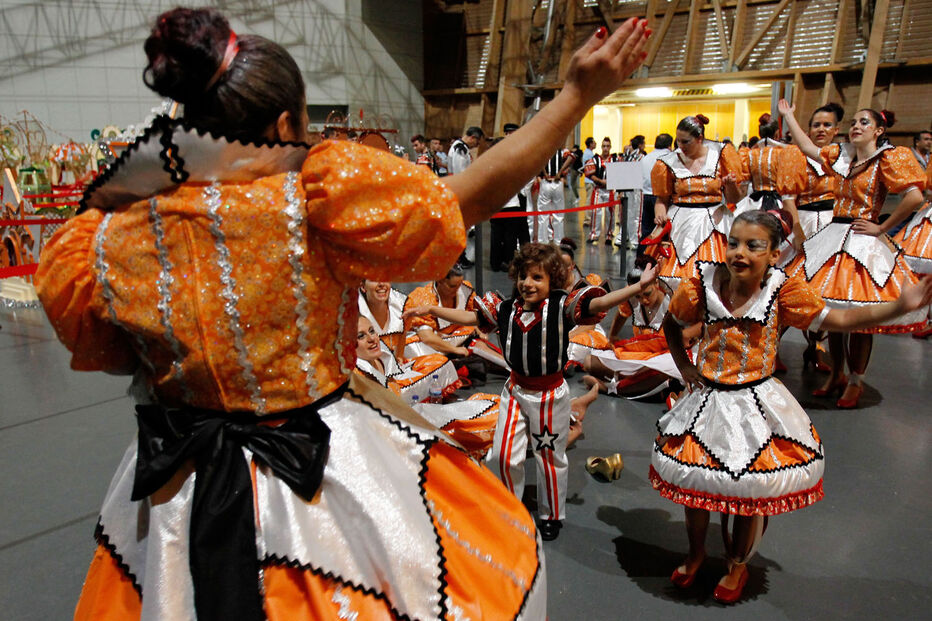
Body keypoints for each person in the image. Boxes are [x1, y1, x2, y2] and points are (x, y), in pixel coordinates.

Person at [35, 6, 651, 618]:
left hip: (174, 489)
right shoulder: (308, 200)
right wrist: (574, 97)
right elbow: (459, 202)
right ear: (285, 124)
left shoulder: (107, 234)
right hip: (311, 470)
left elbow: (110, 351)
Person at [654, 209, 932, 604]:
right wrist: (684, 365)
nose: (739, 253)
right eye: (733, 243)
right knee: (694, 484)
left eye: (753, 246)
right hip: (707, 400)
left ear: (774, 253)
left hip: (754, 404)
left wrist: (899, 307)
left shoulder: (783, 290)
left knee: (750, 487)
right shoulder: (701, 283)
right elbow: (671, 323)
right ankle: (696, 553)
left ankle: (737, 564)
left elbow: (839, 319)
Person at [404, 242, 659, 542]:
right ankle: (511, 508)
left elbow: (599, 304)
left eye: (538, 277)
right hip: (514, 392)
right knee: (503, 455)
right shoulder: (505, 308)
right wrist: (432, 309)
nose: (528, 283)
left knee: (549, 457)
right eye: (524, 276)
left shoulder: (562, 306)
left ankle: (551, 515)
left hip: (549, 395)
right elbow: (472, 318)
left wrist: (638, 287)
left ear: (552, 280)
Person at [779, 100, 928, 407]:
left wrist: (881, 226)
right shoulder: (842, 155)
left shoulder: (887, 158)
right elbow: (806, 147)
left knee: (860, 313)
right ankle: (837, 373)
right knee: (831, 309)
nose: (857, 127)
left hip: (862, 240)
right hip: (833, 236)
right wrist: (789, 116)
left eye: (864, 122)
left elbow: (914, 197)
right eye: (854, 122)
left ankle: (856, 380)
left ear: (879, 130)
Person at [584, 255, 700, 399]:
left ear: (656, 282)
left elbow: (704, 321)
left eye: (647, 294)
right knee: (590, 361)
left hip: (668, 356)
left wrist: (686, 334)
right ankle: (638, 383)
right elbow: (621, 314)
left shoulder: (674, 296)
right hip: (642, 354)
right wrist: (613, 335)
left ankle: (612, 388)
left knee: (665, 369)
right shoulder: (632, 296)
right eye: (638, 297)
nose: (643, 300)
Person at [781, 102, 844, 370]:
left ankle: (816, 347)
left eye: (827, 125)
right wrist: (798, 231)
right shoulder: (795, 155)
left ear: (836, 129)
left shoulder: (842, 156)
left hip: (834, 226)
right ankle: (770, 348)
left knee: (825, 292)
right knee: (789, 286)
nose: (821, 129)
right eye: (816, 124)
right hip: (803, 220)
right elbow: (788, 198)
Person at [652, 114, 745, 290]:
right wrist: (660, 214)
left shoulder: (720, 155)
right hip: (679, 223)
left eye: (686, 142)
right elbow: (661, 200)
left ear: (700, 138)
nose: (680, 146)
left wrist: (731, 185)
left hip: (715, 224)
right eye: (678, 141)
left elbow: (734, 199)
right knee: (673, 277)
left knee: (715, 278)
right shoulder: (667, 162)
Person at [354, 316, 460, 403]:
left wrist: (398, 358)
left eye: (372, 331)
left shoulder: (383, 355)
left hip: (402, 383)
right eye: (361, 336)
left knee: (441, 362)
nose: (372, 339)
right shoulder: (355, 379)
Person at [403, 264, 478, 358]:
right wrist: (454, 350)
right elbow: (426, 337)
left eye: (459, 285)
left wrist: (479, 329)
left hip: (457, 335)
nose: (457, 290)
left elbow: (473, 315)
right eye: (452, 286)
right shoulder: (423, 299)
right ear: (440, 281)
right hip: (428, 343)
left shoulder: (465, 288)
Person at [489, 124, 531, 271]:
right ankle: (508, 261)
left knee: (497, 235)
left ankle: (495, 263)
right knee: (509, 236)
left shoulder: (489, 163)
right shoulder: (511, 161)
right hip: (511, 202)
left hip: (496, 204)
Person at [636, 133, 673, 254]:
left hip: (646, 195)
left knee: (646, 230)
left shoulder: (645, 158)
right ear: (669, 145)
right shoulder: (669, 158)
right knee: (662, 231)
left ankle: (642, 256)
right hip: (662, 197)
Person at [358, 280, 409, 361]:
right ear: (363, 287)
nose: (381, 284)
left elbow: (400, 353)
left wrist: (398, 359)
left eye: (385, 278)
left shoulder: (403, 304)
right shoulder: (351, 314)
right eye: (374, 279)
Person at [535, 145, 576, 242]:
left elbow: (537, 159)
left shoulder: (543, 150)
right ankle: (558, 241)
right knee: (559, 215)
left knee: (543, 216)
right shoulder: (561, 151)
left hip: (546, 181)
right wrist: (560, 172)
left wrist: (544, 172)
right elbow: (572, 157)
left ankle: (543, 242)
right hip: (557, 182)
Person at [585, 137, 618, 244]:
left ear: (610, 147)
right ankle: (594, 234)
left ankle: (609, 235)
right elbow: (589, 173)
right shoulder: (595, 159)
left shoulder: (615, 159)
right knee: (596, 212)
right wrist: (600, 181)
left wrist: (610, 182)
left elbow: (619, 173)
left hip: (610, 191)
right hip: (598, 189)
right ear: (601, 147)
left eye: (607, 146)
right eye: (604, 146)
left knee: (610, 214)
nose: (605, 148)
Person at [617, 134, 647, 247]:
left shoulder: (625, 157)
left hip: (625, 187)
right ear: (640, 145)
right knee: (636, 215)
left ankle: (622, 236)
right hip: (636, 189)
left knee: (625, 214)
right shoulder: (641, 158)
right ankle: (635, 240)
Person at [582, 136, 597, 226]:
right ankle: (587, 219)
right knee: (589, 200)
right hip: (590, 180)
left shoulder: (589, 153)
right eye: (594, 142)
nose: (595, 144)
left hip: (589, 180)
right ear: (590, 144)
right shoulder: (589, 154)